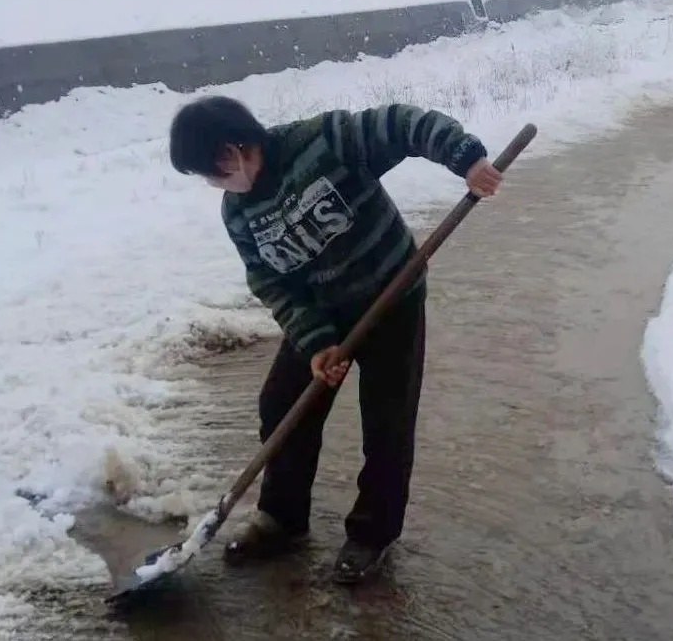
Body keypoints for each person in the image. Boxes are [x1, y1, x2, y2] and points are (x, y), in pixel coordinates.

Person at [168, 96, 502, 585]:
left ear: (230, 152)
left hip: (391, 298)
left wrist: (465, 158)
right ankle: (281, 519)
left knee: (387, 421)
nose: (213, 185)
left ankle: (372, 534)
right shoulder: (238, 212)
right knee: (282, 403)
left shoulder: (322, 142)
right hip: (325, 310)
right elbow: (271, 283)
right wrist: (317, 343)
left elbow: (403, 124)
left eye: (210, 173)